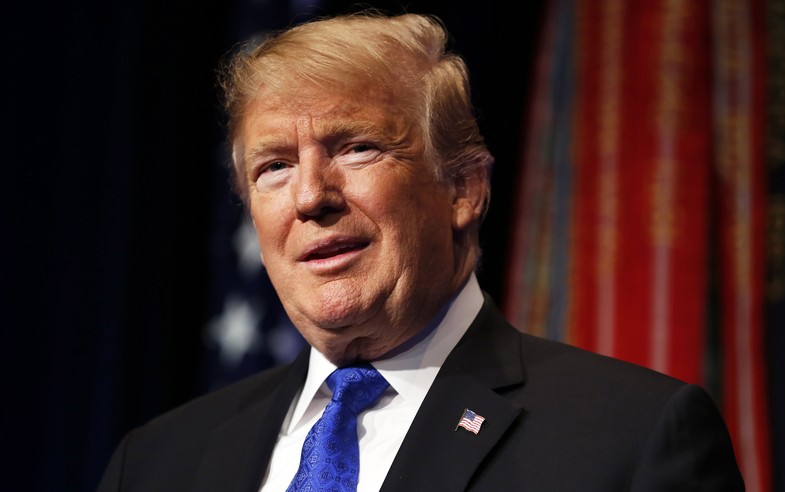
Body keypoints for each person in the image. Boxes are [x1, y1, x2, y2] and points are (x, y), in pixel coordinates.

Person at [97, 13, 744, 491]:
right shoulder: (156, 464)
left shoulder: (630, 439)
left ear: (463, 187)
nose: (310, 197)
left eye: (356, 148)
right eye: (274, 167)